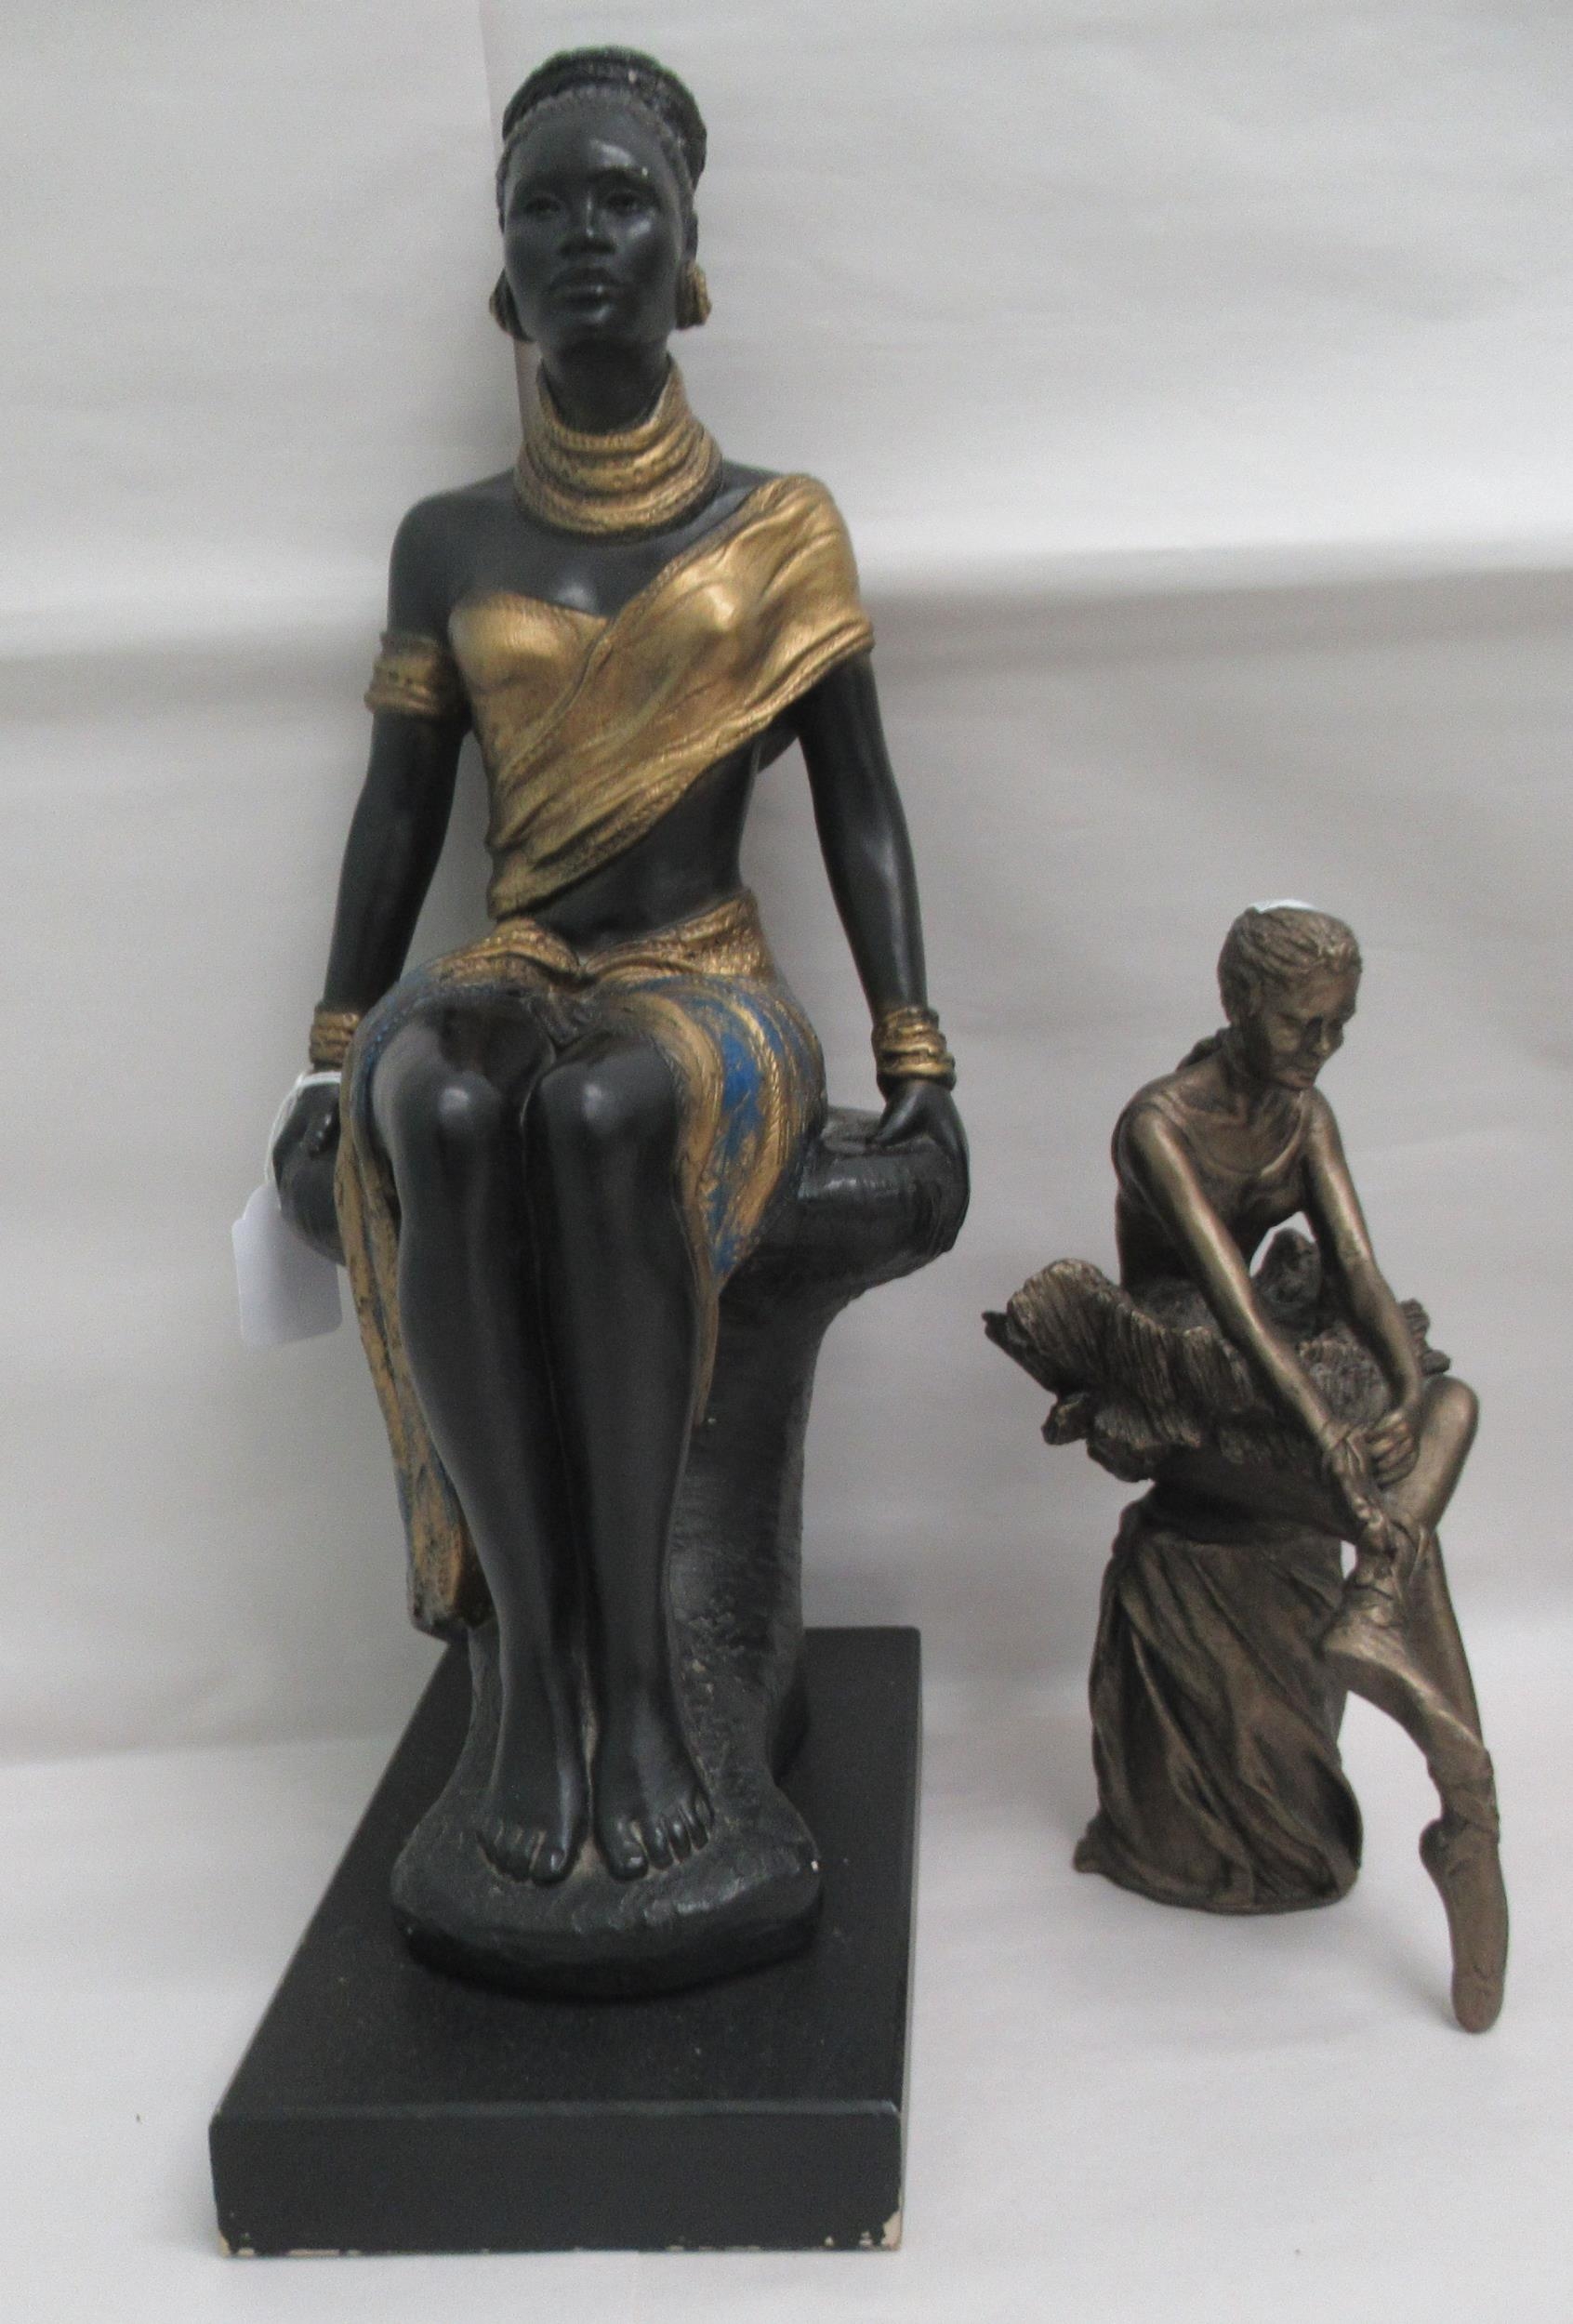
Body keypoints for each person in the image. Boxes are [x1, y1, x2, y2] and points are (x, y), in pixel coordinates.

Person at [271, 48, 965, 1895]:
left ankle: (645, 1685)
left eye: (622, 200)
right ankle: (535, 1680)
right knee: (437, 1105)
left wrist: (916, 1056)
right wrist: (332, 1058)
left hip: (701, 974)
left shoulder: (777, 528)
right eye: (543, 206)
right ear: (503, 266)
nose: (583, 235)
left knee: (596, 1116)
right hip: (507, 960)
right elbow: (398, 814)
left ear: (687, 247)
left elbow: (861, 807)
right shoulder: (449, 541)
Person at [988, 905, 1505, 2029]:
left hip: (1276, 1361)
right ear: (1238, 1003)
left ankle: (1388, 1627)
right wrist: (1329, 1436)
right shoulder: (1157, 1123)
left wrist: (1402, 1396)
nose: (1321, 1048)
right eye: (1302, 1024)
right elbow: (1230, 1301)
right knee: (1376, 1506)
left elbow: (1360, 1275)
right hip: (1184, 1371)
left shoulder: (1305, 1114)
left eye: (1340, 1025)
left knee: (1454, 1404)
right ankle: (1468, 1802)